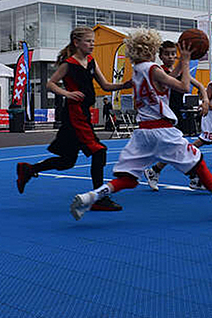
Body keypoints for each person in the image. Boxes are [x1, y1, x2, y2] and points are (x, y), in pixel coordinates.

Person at [69, 28, 212, 222]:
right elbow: (183, 87)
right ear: (151, 49)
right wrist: (187, 60)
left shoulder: (138, 71)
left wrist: (182, 62)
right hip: (162, 129)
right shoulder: (154, 69)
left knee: (129, 178)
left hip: (142, 131)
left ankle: (93, 196)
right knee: (198, 162)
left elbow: (171, 76)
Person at [16, 27, 132, 211]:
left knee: (67, 161)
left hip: (82, 113)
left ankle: (29, 169)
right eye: (88, 41)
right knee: (99, 151)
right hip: (75, 113)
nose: (92, 44)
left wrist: (125, 84)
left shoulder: (91, 61)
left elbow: (106, 85)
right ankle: (98, 198)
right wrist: (67, 94)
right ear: (76, 43)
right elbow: (50, 84)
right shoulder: (68, 64)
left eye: (93, 41)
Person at [142, 40, 209, 191]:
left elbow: (200, 86)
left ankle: (154, 171)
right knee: (180, 149)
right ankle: (194, 178)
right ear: (160, 56)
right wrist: (183, 64)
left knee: (173, 149)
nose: (171, 56)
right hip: (162, 115)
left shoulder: (179, 71)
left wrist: (205, 100)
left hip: (176, 113)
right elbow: (169, 83)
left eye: (173, 53)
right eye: (167, 54)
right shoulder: (159, 71)